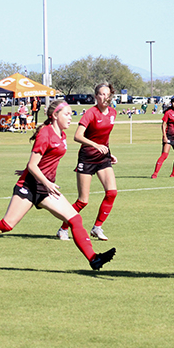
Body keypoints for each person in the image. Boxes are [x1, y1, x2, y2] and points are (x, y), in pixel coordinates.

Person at [0, 100, 116, 270]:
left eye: (71, 114)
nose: (71, 118)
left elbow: (40, 162)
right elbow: (33, 165)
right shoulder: (45, 134)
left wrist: (107, 156)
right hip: (29, 187)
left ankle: (93, 259)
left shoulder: (61, 135)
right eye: (67, 114)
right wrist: (45, 181)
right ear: (55, 116)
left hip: (46, 189)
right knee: (7, 225)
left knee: (75, 219)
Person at [56, 83, 118, 241]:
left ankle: (97, 227)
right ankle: (63, 229)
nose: (105, 97)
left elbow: (104, 137)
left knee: (112, 192)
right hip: (87, 158)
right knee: (83, 201)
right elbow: (77, 136)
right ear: (96, 96)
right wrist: (96, 145)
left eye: (107, 94)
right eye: (102, 94)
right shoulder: (91, 113)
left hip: (103, 157)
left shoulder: (113, 113)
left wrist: (109, 153)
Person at [151, 97, 174, 179]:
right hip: (168, 136)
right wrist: (164, 136)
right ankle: (155, 174)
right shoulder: (168, 113)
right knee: (164, 155)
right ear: (171, 103)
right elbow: (163, 124)